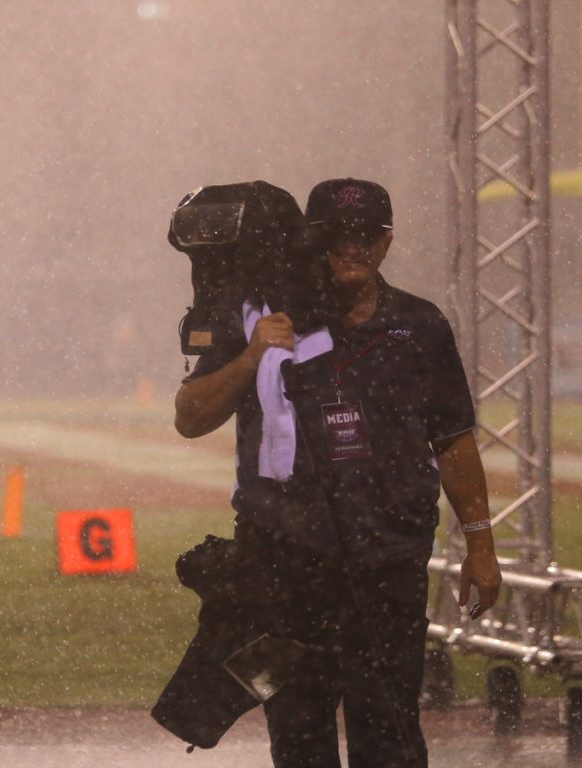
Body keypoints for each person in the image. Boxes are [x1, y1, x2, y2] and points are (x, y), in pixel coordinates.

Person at [174, 178, 502, 767]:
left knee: (392, 735)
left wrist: (481, 544)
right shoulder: (263, 319)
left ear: (387, 241)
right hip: (284, 566)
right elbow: (191, 417)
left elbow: (452, 438)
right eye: (335, 237)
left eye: (366, 236)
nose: (352, 248)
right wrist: (252, 356)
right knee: (300, 738)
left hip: (388, 564)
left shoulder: (419, 326)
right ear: (309, 241)